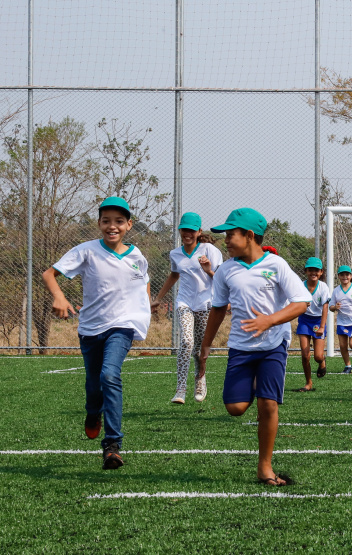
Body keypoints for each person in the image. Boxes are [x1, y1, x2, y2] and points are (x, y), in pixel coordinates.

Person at [199, 208, 311, 486]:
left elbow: (301, 302)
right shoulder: (226, 270)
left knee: (268, 404)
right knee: (235, 408)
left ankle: (265, 466)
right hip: (240, 347)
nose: (225, 239)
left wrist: (270, 321)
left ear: (249, 236)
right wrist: (205, 347)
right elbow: (217, 310)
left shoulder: (276, 265)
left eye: (230, 234)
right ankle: (257, 385)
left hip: (274, 345)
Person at [42, 196, 151, 470]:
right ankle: (93, 413)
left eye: (118, 221)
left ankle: (112, 445)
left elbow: (144, 284)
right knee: (93, 386)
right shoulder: (87, 251)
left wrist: (145, 309)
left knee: (110, 375)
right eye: (106, 221)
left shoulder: (137, 255)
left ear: (129, 225)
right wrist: (59, 298)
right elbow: (48, 274)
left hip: (122, 327)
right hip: (90, 328)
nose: (111, 226)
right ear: (99, 223)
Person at [151, 212, 223, 404]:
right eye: (184, 230)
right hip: (184, 303)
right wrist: (158, 298)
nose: (187, 234)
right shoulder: (175, 254)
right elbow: (174, 276)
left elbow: (221, 279)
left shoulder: (210, 250)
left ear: (199, 231)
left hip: (206, 304)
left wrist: (208, 270)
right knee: (186, 341)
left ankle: (200, 379)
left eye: (191, 230)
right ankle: (180, 388)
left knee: (199, 349)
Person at [295, 257, 330, 392]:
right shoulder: (300, 286)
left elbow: (325, 308)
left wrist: (322, 327)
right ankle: (308, 382)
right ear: (306, 271)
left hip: (318, 321)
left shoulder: (323, 287)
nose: (313, 273)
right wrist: (302, 304)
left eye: (316, 270)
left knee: (317, 356)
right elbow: (294, 302)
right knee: (305, 354)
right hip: (304, 320)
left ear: (321, 272)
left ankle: (322, 361)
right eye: (310, 270)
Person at [330, 265, 352, 374]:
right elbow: (331, 306)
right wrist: (335, 307)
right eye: (342, 275)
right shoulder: (336, 291)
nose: (345, 277)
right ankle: (348, 366)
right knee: (343, 346)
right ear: (338, 276)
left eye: (347, 274)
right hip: (341, 321)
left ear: (351, 276)